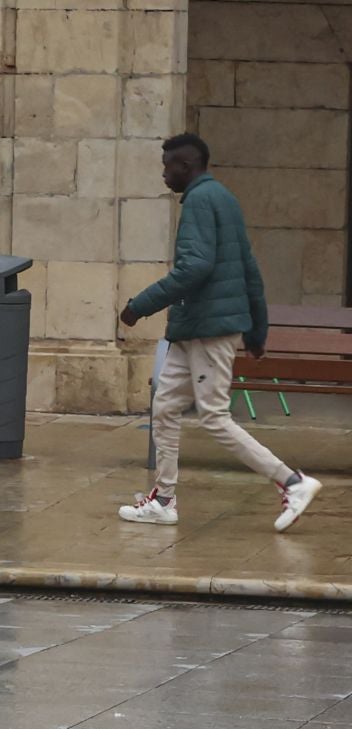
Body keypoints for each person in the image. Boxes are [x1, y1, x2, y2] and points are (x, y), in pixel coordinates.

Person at [118, 132, 323, 532]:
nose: (163, 175)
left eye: (167, 167)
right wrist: (257, 330)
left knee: (213, 416)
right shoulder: (225, 199)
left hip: (208, 330)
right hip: (196, 329)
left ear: (186, 166)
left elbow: (195, 267)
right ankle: (162, 500)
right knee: (164, 407)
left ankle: (293, 483)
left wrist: (139, 305)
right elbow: (249, 266)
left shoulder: (198, 200)